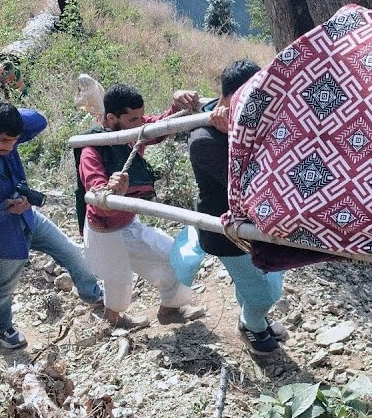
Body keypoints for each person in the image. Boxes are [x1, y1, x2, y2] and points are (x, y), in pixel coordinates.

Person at [0, 102, 105, 349]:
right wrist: (3, 209)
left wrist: (3, 115)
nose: (10, 148)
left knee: (71, 251)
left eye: (14, 142)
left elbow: (39, 120)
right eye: (5, 142)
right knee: (1, 288)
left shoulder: (2, 138)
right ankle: (0, 328)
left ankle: (93, 295)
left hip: (26, 218)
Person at [75, 84, 206, 330]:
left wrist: (177, 102)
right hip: (104, 230)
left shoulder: (134, 129)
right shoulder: (92, 149)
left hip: (128, 223)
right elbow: (96, 194)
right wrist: (112, 192)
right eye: (133, 119)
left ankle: (170, 309)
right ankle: (114, 320)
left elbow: (157, 128)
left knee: (173, 257)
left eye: (140, 117)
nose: (140, 123)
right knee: (119, 281)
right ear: (112, 119)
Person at [186, 60, 287, 354]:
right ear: (231, 97)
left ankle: (255, 318)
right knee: (266, 294)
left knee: (260, 280)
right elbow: (246, 185)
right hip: (226, 232)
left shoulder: (245, 121)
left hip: (254, 225)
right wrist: (233, 136)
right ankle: (251, 325)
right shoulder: (203, 139)